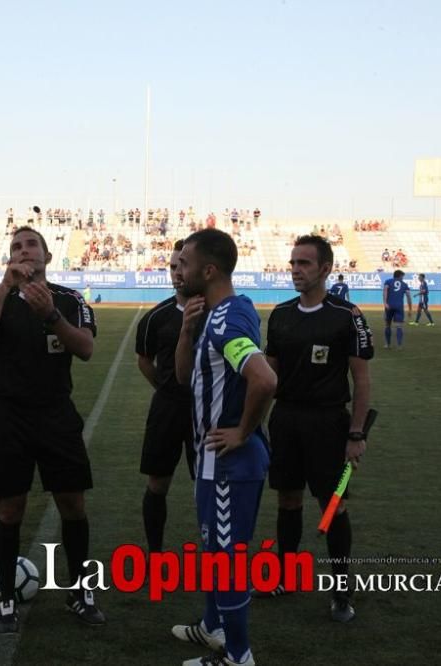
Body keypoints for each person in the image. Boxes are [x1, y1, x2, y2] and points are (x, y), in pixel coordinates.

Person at [0, 226, 102, 633]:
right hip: (10, 415)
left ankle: (81, 592)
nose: (23, 251)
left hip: (57, 413)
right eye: (15, 247)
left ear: (47, 255)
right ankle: (6, 597)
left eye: (30, 245)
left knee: (72, 504)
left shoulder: (69, 299)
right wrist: (5, 288)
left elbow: (86, 348)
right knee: (10, 509)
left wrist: (50, 316)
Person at [170, 229, 277, 666]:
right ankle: (213, 629)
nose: (181, 271)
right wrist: (184, 331)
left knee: (227, 562)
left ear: (208, 270)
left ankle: (238, 656)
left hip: (229, 463)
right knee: (217, 554)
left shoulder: (226, 320)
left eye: (187, 263)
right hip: (214, 464)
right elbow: (181, 378)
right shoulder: (225, 312)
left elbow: (264, 378)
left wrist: (243, 431)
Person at [262, 234, 373, 623]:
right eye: (293, 262)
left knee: (334, 505)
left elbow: (361, 380)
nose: (296, 269)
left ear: (325, 269)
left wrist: (356, 434)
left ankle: (342, 592)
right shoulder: (280, 315)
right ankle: (286, 577)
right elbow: (269, 374)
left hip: (329, 423)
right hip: (285, 420)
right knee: (287, 500)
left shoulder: (347, 316)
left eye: (305, 263)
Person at [134, 240, 194, 553]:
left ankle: (216, 552)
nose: (177, 273)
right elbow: (144, 359)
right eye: (172, 266)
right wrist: (165, 388)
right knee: (157, 483)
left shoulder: (215, 312)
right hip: (167, 408)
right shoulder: (156, 317)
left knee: (209, 487)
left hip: (205, 411)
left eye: (182, 265)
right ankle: (155, 553)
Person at [382, 269, 412, 349]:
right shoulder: (405, 284)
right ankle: (399, 345)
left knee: (387, 325)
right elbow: (409, 297)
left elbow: (385, 291)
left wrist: (385, 303)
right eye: (402, 276)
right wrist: (410, 309)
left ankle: (387, 344)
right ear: (400, 276)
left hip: (389, 305)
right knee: (399, 326)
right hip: (399, 307)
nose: (403, 278)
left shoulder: (388, 281)